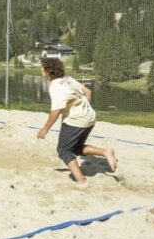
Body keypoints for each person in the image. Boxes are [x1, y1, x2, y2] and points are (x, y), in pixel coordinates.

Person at [36, 57, 118, 187]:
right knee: (75, 148)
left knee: (63, 150)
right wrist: (84, 108)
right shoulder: (68, 80)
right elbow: (88, 92)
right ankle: (105, 152)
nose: (41, 69)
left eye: (42, 67)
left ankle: (81, 181)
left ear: (48, 70)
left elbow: (55, 111)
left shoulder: (55, 86)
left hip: (77, 119)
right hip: (89, 116)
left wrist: (45, 129)